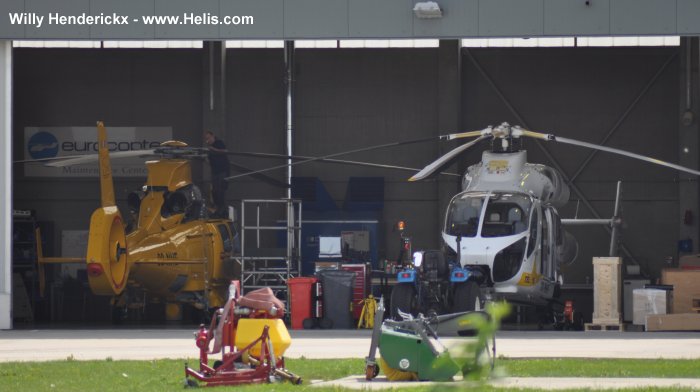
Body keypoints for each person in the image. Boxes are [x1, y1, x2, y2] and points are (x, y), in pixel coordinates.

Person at [204, 131, 230, 217]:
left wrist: (214, 149)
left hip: (222, 171)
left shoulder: (219, 143)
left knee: (221, 191)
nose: (207, 140)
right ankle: (218, 208)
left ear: (213, 136)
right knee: (214, 191)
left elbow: (226, 151)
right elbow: (209, 160)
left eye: (208, 138)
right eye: (206, 139)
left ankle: (223, 210)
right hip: (215, 172)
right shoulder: (209, 148)